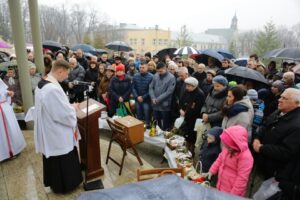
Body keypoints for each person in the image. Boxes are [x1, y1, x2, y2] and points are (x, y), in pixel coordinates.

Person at [34, 60, 82, 193]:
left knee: (54, 159)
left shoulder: (43, 83)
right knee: (63, 157)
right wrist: (73, 109)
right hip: (56, 131)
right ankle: (65, 186)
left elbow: (55, 107)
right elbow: (62, 115)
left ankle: (55, 183)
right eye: (66, 74)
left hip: (49, 128)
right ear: (60, 71)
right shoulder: (52, 89)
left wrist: (68, 107)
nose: (67, 77)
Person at [252, 88, 300, 180]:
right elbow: (264, 125)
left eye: (284, 98)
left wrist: (262, 148)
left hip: (272, 172)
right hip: (260, 161)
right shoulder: (279, 111)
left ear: (297, 103)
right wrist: (257, 138)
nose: (279, 100)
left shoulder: (297, 125)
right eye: (281, 96)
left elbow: (287, 152)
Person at [207, 125, 254, 197]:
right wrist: (212, 171)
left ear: (236, 144)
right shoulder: (227, 149)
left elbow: (241, 180)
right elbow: (219, 159)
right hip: (221, 184)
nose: (226, 147)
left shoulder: (246, 157)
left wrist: (232, 196)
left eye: (228, 146)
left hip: (232, 191)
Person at [0, 78, 26, 162]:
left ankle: (14, 150)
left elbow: (3, 90)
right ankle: (3, 154)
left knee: (10, 128)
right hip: (2, 109)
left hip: (5, 107)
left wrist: (8, 93)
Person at [178, 77, 205, 157]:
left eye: (189, 86)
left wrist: (186, 113)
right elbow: (181, 101)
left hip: (194, 119)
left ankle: (191, 152)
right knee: (186, 134)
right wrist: (180, 109)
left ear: (194, 86)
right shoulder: (187, 91)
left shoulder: (200, 94)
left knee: (192, 135)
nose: (187, 87)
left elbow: (197, 109)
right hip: (185, 117)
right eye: (186, 85)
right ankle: (186, 148)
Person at [149, 62, 176, 130]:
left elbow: (169, 92)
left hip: (164, 105)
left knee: (165, 122)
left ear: (165, 69)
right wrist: (153, 97)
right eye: (158, 71)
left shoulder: (171, 78)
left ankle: (164, 134)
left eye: (161, 71)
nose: (159, 73)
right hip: (154, 103)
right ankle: (157, 131)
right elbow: (151, 87)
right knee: (156, 121)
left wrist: (158, 99)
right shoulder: (156, 75)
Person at [132, 62, 153, 128]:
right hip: (137, 99)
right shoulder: (135, 76)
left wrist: (143, 97)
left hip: (146, 100)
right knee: (138, 114)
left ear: (147, 68)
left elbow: (151, 89)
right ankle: (139, 128)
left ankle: (147, 127)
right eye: (140, 67)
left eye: (143, 67)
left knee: (147, 114)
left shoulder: (151, 77)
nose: (141, 69)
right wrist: (137, 96)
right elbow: (133, 87)